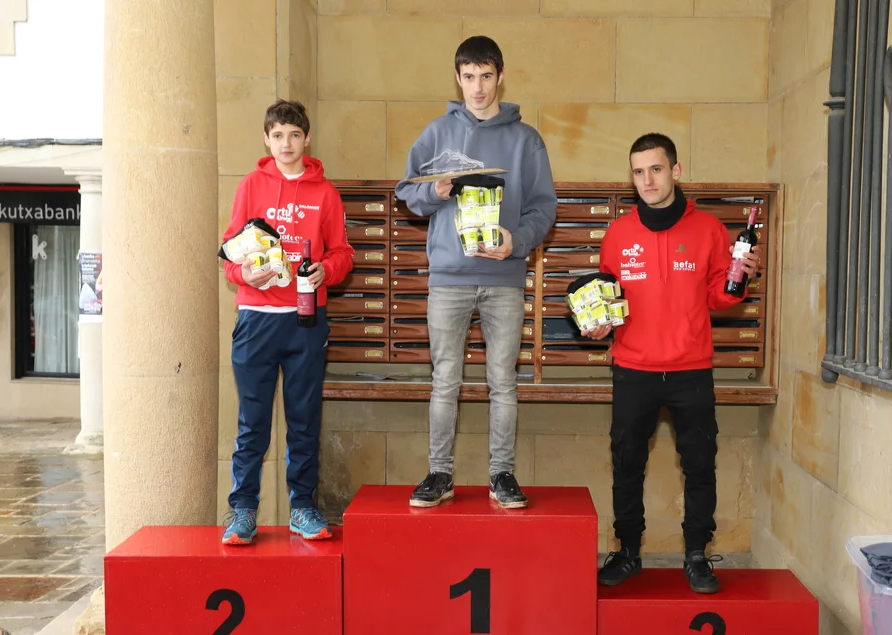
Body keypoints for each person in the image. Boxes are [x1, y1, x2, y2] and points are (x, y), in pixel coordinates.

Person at [589, 133, 761, 593]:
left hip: (690, 369)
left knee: (700, 464)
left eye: (656, 169)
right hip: (633, 369)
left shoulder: (708, 230)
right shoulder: (618, 234)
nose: (647, 180)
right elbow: (608, 301)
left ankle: (696, 555)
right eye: (638, 172)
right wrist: (599, 323)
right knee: (626, 465)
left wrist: (741, 280)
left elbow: (720, 297)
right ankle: (628, 551)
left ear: (675, 171)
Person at [394, 36, 557, 510]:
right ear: (458, 78)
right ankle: (440, 473)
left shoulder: (526, 139)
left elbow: (544, 207)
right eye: (469, 77)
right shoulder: (437, 133)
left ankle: (502, 474)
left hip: (504, 277)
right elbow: (407, 192)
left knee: (502, 382)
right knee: (444, 381)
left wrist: (517, 242)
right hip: (449, 278)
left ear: (500, 76)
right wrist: (436, 192)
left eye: (486, 76)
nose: (478, 87)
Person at [220, 99, 354, 544]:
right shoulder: (251, 186)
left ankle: (302, 507)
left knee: (303, 420)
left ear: (307, 138)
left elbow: (343, 254)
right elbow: (230, 253)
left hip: (305, 320)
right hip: (256, 318)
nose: (286, 143)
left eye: (294, 135)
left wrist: (326, 271)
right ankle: (243, 511)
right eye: (277, 135)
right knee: (252, 423)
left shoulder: (325, 193)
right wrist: (244, 274)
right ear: (266, 139)